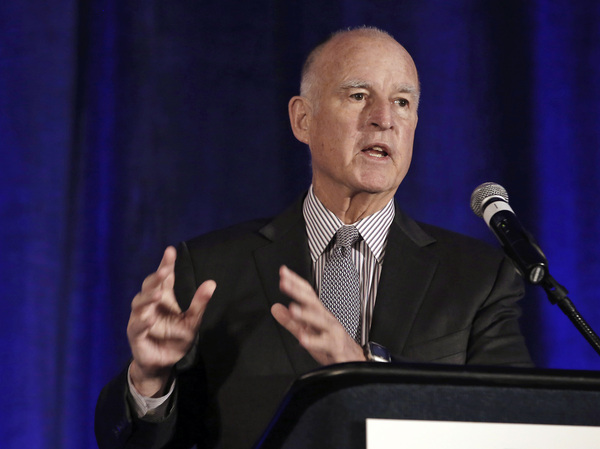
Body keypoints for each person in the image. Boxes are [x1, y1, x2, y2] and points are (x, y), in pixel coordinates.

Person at [95, 27, 532, 449]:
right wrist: (150, 380)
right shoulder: (211, 269)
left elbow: (514, 430)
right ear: (303, 119)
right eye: (358, 96)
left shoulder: (477, 279)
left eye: (402, 102)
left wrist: (364, 372)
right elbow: (143, 443)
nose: (383, 120)